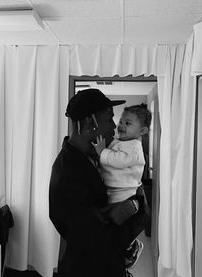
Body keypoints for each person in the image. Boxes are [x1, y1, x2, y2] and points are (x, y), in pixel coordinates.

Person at [49, 89, 147, 277]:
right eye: (109, 119)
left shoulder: (92, 156)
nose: (114, 127)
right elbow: (97, 240)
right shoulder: (68, 173)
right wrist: (138, 210)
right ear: (88, 123)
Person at [92, 104, 152, 269]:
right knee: (112, 225)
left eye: (128, 123)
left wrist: (102, 152)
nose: (121, 125)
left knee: (118, 226)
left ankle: (131, 247)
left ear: (143, 131)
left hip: (124, 193)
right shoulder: (120, 142)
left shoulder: (134, 148)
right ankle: (127, 247)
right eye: (121, 121)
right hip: (113, 189)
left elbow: (118, 161)